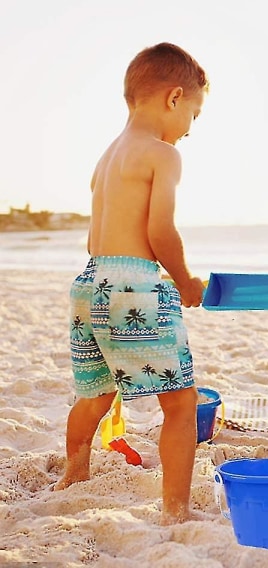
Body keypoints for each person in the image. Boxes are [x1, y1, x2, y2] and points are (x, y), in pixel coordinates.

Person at [54, 42, 209, 525]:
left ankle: (74, 471)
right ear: (174, 98)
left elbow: (100, 241)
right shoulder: (163, 155)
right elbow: (160, 229)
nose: (189, 128)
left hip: (90, 284)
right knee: (181, 403)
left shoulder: (106, 159)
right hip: (133, 290)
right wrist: (182, 280)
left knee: (96, 393)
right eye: (194, 114)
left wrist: (140, 270)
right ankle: (176, 510)